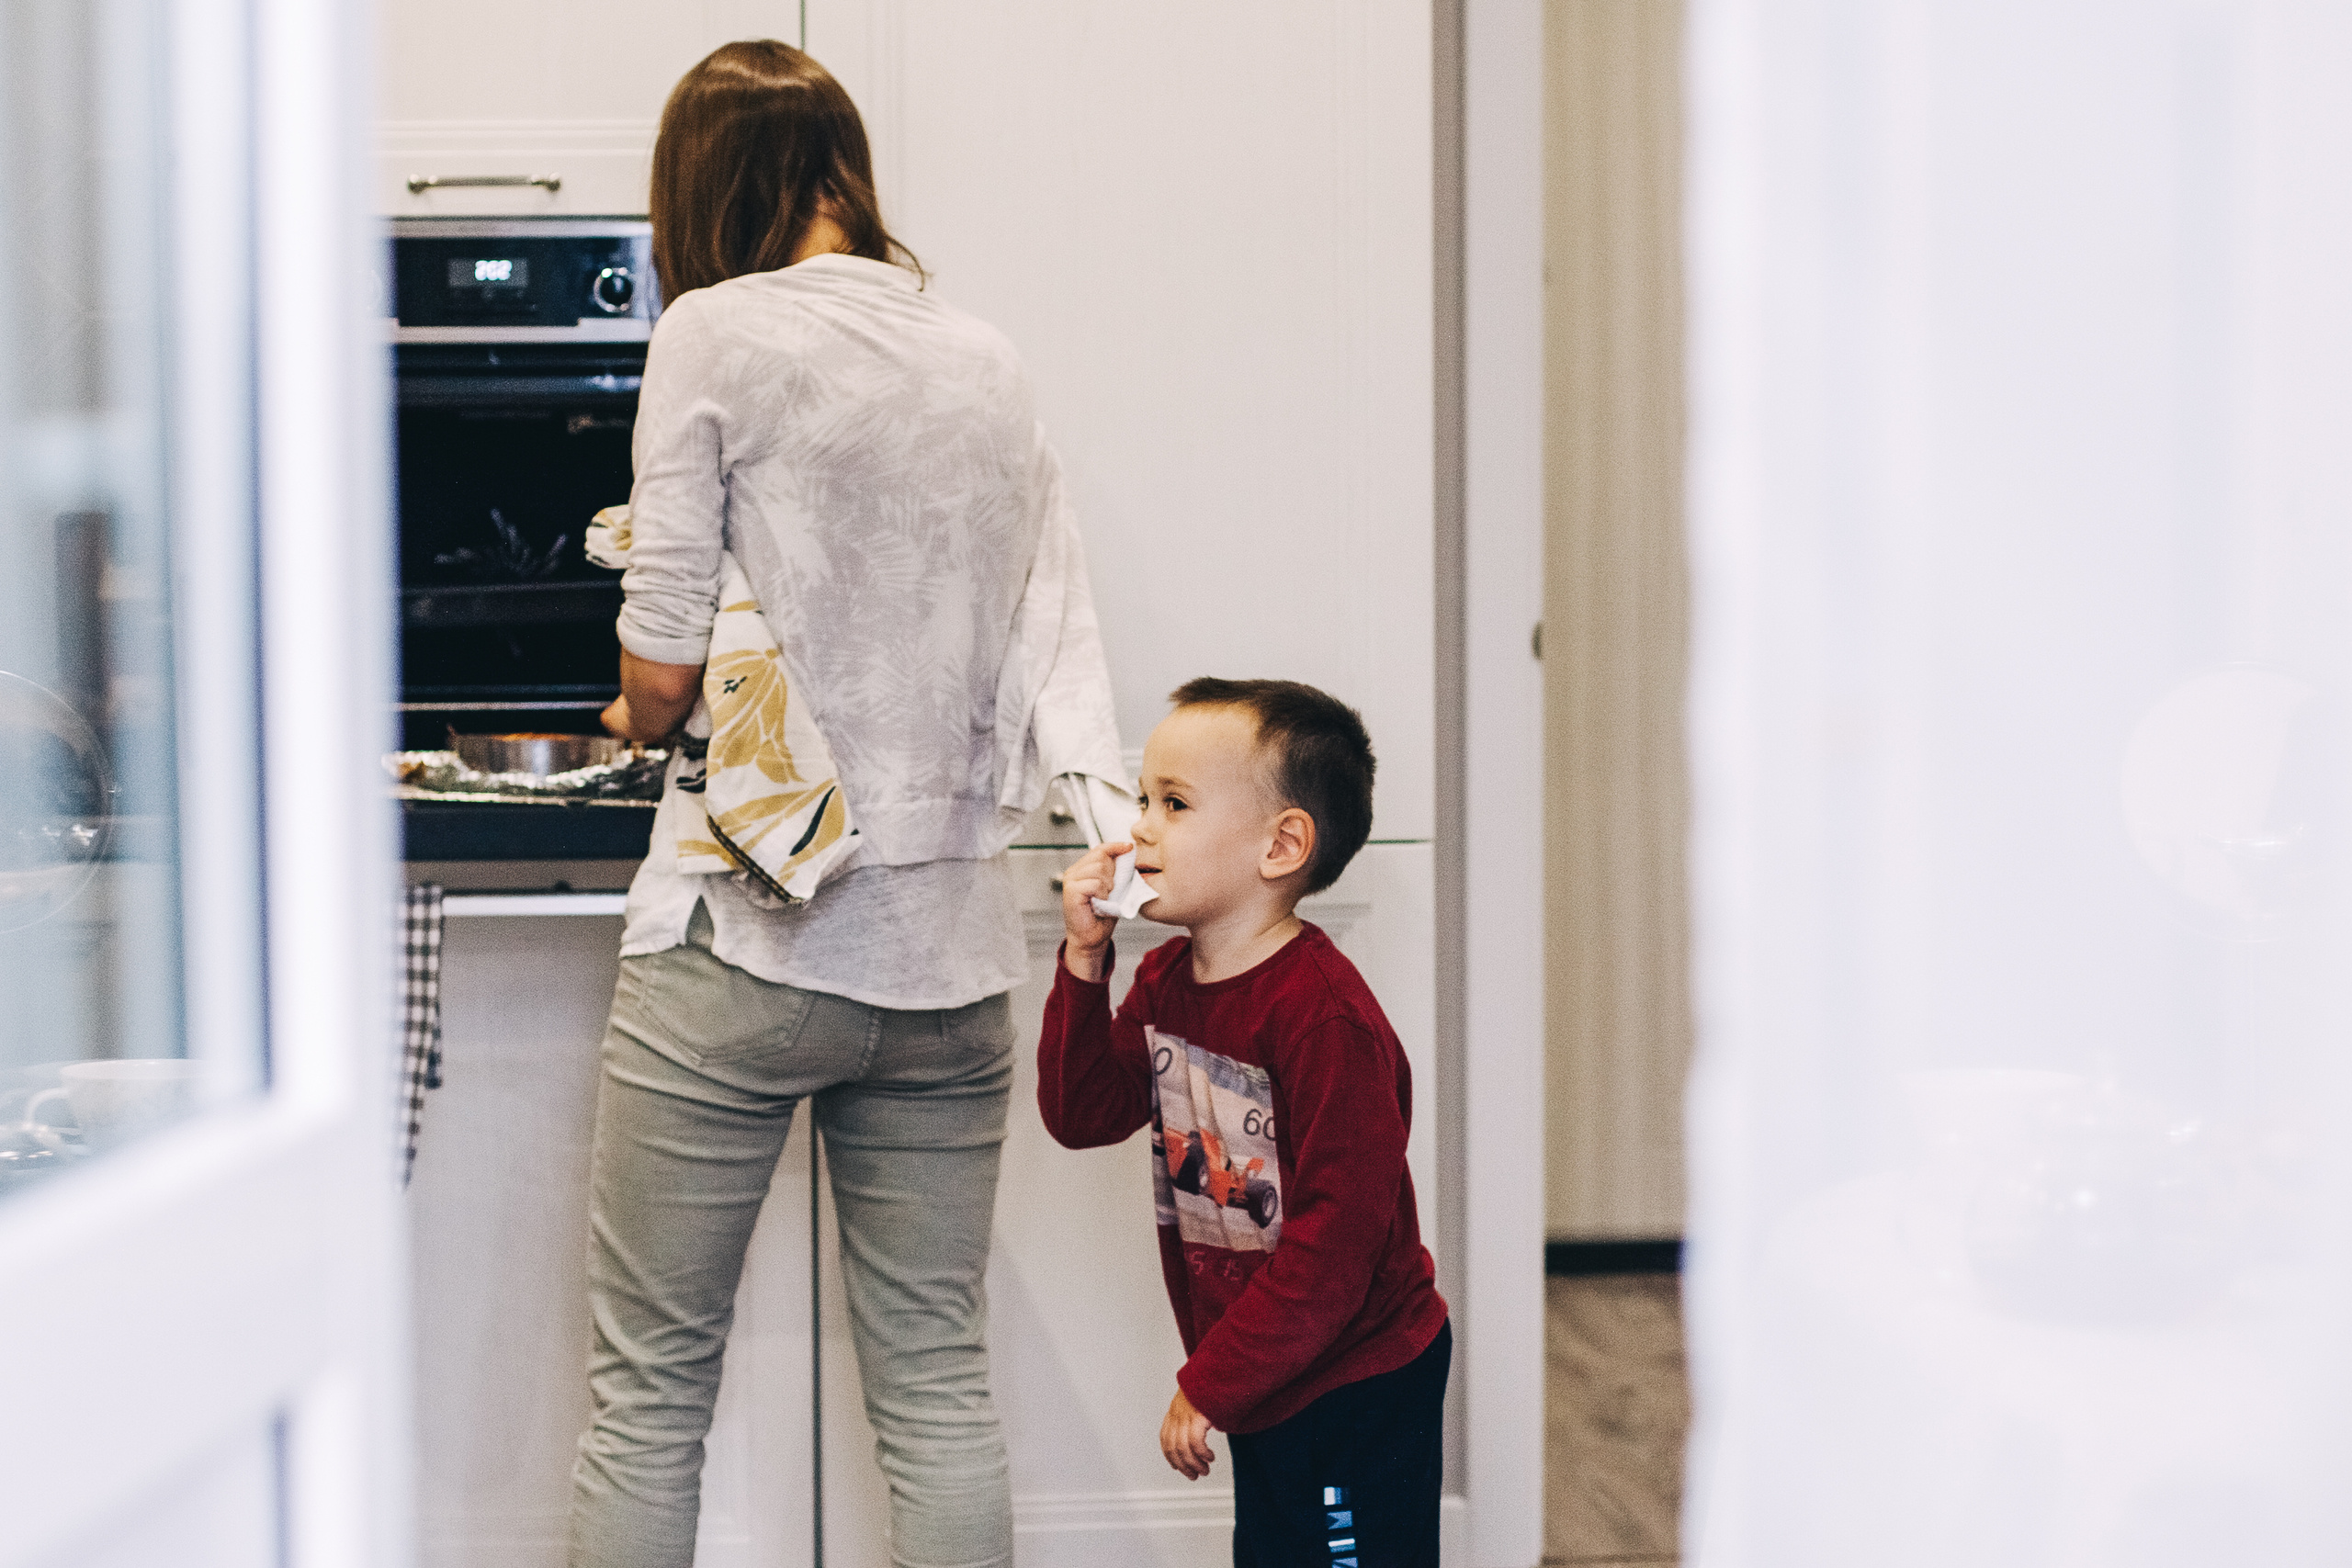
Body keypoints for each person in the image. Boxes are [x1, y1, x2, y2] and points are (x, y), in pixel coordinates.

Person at [571, 39, 1122, 1568]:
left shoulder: (713, 332)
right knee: (939, 1389)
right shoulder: (986, 356)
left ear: (703, 189)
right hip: (946, 964)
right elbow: (1036, 626)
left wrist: (621, 706)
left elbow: (667, 671)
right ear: (846, 174)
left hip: (740, 948)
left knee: (650, 1394)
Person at [1039, 678, 1453, 1567]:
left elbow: (1336, 1245)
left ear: (1281, 845)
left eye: (1174, 803)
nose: (1139, 825)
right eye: (1143, 798)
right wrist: (1083, 961)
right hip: (1268, 1369)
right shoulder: (1165, 987)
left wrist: (1211, 1382)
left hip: (1357, 1380)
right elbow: (1080, 1114)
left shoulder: (1322, 1018)